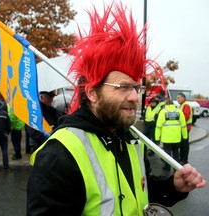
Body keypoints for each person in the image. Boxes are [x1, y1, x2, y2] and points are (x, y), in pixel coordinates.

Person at [27, 3, 206, 215]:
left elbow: (141, 189)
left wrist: (173, 187)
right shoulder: (59, 155)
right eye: (123, 87)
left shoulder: (129, 139)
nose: (134, 97)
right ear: (93, 93)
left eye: (137, 87)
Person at [155, 100, 187, 171]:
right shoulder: (179, 111)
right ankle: (176, 168)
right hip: (176, 138)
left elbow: (158, 126)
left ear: (166, 104)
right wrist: (185, 136)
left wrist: (157, 138)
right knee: (176, 152)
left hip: (166, 138)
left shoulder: (163, 112)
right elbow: (183, 125)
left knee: (167, 154)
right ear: (173, 104)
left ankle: (167, 167)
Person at [177, 92, 192, 165]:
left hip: (185, 128)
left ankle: (184, 160)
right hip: (184, 128)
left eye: (178, 98)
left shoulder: (185, 105)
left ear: (183, 98)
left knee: (184, 144)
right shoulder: (182, 105)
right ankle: (182, 159)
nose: (177, 100)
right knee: (182, 144)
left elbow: (186, 116)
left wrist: (178, 123)